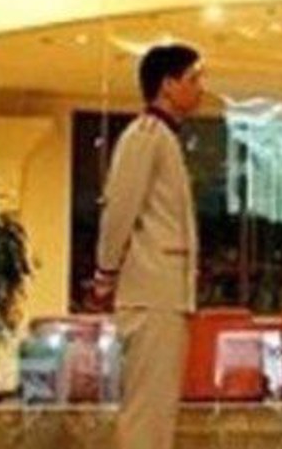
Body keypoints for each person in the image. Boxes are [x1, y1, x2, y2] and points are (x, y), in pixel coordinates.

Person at [89, 44, 205, 449]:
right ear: (168, 85)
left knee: (158, 410)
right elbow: (119, 209)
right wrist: (105, 272)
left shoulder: (163, 139)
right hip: (151, 292)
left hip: (163, 293)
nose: (200, 88)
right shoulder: (145, 136)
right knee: (147, 411)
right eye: (193, 79)